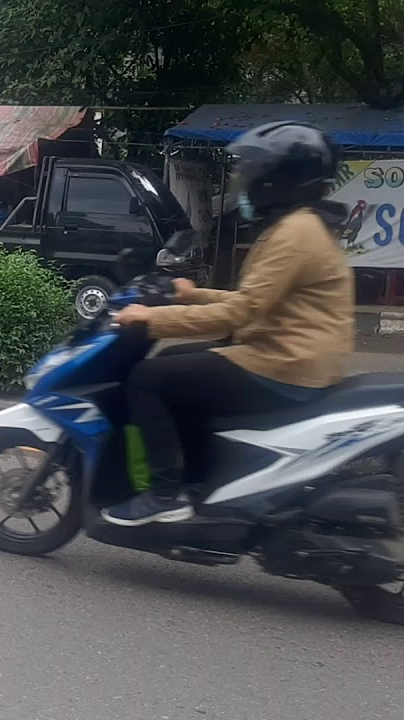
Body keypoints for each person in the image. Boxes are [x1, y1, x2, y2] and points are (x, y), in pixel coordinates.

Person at [101, 121, 356, 527]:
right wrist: (193, 294)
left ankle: (165, 494)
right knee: (181, 365)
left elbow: (240, 313)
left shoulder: (296, 232)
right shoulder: (300, 225)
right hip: (290, 356)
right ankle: (199, 481)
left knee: (149, 377)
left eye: (255, 170)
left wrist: (151, 318)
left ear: (280, 178)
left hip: (284, 364)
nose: (247, 180)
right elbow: (255, 301)